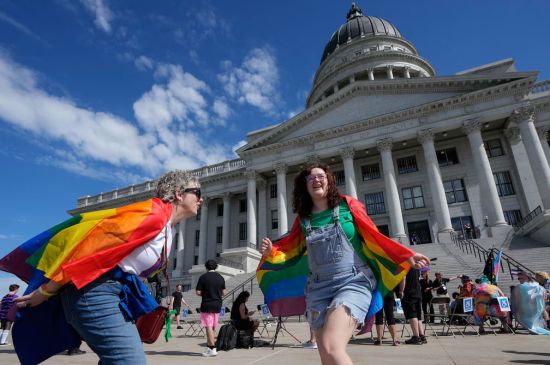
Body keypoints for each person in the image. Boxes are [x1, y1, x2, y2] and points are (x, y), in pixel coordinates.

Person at [0, 169, 202, 364]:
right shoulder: (152, 214)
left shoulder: (168, 228)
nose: (201, 199)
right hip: (94, 291)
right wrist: (45, 290)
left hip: (112, 293)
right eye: (197, 193)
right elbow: (88, 255)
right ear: (179, 194)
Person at [259, 164, 429, 365]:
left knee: (332, 346)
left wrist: (404, 254)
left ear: (329, 180)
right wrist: (272, 252)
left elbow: (373, 234)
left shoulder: (348, 205)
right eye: (310, 178)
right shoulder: (303, 220)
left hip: (353, 281)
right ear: (304, 185)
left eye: (321, 176)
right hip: (318, 288)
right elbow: (292, 251)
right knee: (326, 356)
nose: (316, 180)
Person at [196, 259, 226, 357]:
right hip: (217, 304)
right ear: (216, 267)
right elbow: (224, 292)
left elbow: (198, 292)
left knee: (208, 326)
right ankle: (209, 347)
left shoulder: (203, 277)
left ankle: (213, 348)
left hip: (207, 303)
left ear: (206, 267)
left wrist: (207, 294)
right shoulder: (220, 277)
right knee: (212, 326)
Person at [401, 268, 426, 344]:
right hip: (418, 292)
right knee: (418, 316)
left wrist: (401, 290)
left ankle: (416, 336)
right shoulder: (416, 267)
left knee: (412, 315)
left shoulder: (404, 265)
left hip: (409, 292)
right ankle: (422, 335)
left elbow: (403, 278)